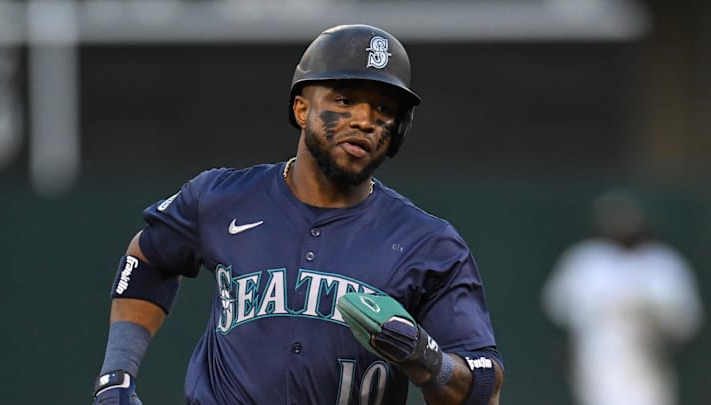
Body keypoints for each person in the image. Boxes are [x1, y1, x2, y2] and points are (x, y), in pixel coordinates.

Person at [92, 24, 504, 405]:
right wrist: (117, 376)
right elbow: (147, 260)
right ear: (302, 109)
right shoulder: (221, 199)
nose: (364, 120)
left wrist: (427, 358)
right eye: (345, 100)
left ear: (397, 132)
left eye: (383, 110)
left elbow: (485, 386)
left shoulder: (427, 243)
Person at [541, 189, 703, 405]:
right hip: (598, 359)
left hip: (648, 360)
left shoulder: (662, 264)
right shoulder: (586, 261)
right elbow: (559, 307)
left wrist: (654, 320)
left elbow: (685, 319)